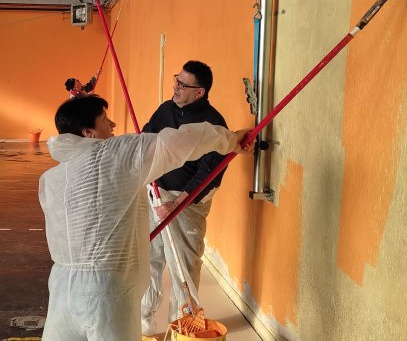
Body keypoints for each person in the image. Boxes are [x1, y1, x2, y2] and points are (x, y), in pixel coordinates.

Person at [38, 95, 253, 340]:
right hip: (105, 292)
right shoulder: (115, 153)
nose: (113, 125)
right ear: (88, 132)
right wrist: (230, 139)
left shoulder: (49, 180)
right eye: (105, 120)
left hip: (60, 290)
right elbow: (179, 141)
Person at [140, 60, 232, 337]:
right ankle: (145, 319)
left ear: (199, 92)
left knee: (183, 267)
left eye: (183, 84)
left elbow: (210, 173)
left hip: (187, 204)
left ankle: (178, 327)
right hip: (156, 193)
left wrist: (177, 203)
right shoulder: (165, 109)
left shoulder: (213, 124)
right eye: (176, 80)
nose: (175, 87)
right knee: (150, 259)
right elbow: (147, 137)